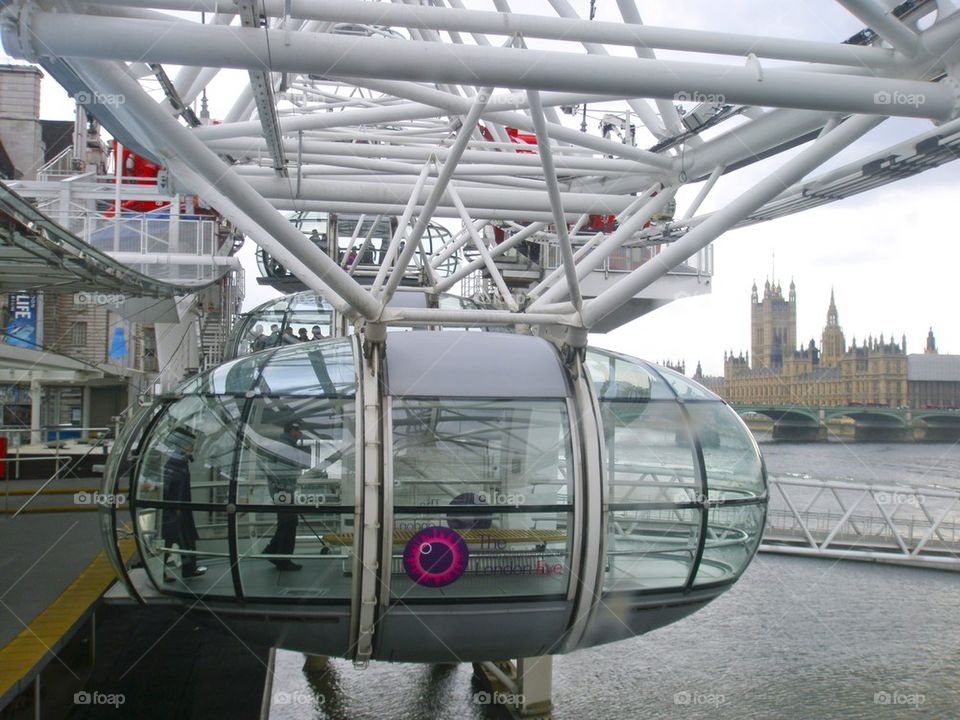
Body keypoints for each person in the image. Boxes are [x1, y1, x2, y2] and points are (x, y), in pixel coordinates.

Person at [261, 421, 309, 570]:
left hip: (281, 491)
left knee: (285, 523)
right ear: (291, 430)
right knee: (290, 523)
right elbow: (283, 473)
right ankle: (283, 560)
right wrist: (288, 492)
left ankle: (272, 552)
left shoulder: (284, 445)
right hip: (283, 492)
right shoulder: (286, 447)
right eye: (299, 430)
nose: (301, 433)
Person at [161, 428, 206, 581]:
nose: (192, 447)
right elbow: (172, 488)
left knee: (178, 539)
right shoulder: (177, 464)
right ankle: (187, 569)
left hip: (177, 509)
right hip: (177, 510)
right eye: (189, 444)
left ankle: (187, 568)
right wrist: (177, 509)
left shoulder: (176, 462)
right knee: (180, 539)